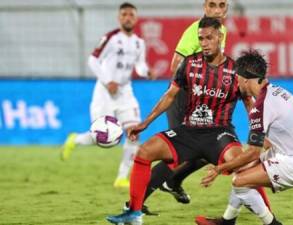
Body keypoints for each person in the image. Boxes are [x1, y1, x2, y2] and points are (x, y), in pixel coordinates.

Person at [106, 17, 267, 225]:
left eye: (209, 38)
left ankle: (270, 221)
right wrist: (146, 122)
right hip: (188, 132)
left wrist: (260, 131)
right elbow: (171, 95)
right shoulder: (189, 63)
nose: (205, 43)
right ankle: (134, 213)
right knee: (144, 152)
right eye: (201, 38)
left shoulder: (235, 70)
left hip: (219, 134)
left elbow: (249, 103)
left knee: (246, 169)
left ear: (220, 37)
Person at [196, 50, 293, 225]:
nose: (236, 81)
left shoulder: (261, 106)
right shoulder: (274, 91)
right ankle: (227, 222)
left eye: (237, 77)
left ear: (246, 79)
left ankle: (271, 223)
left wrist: (220, 168)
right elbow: (268, 140)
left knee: (239, 182)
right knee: (242, 171)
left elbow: (253, 153)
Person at [143, 0, 230, 212]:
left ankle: (172, 182)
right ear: (204, 7)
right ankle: (134, 202)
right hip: (184, 97)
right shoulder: (195, 31)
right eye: (212, 5)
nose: (217, 10)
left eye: (222, 5)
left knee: (202, 152)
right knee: (179, 152)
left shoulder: (221, 30)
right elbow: (175, 67)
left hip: (199, 100)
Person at [61, 2, 156, 188]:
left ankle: (121, 177)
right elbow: (92, 60)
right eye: (124, 14)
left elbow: (140, 65)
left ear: (136, 18)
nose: (127, 17)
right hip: (104, 92)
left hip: (125, 92)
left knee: (134, 133)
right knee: (103, 139)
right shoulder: (111, 38)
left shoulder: (139, 43)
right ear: (119, 18)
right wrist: (107, 81)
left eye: (131, 14)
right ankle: (76, 139)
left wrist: (146, 72)